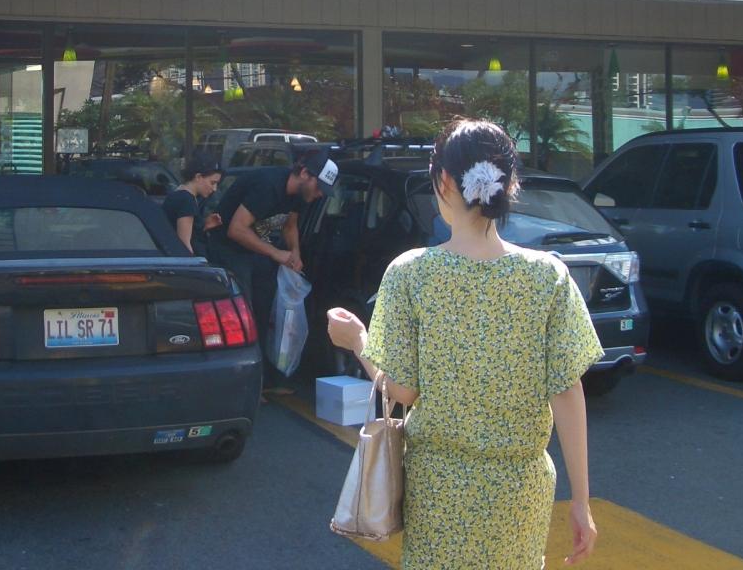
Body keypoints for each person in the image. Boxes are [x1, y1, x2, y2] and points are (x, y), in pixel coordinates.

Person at [327, 118, 603, 569]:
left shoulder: (410, 273)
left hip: (438, 489)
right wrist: (581, 501)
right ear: (509, 185)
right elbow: (568, 390)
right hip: (520, 489)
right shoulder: (548, 276)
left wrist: (358, 339)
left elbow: (402, 392)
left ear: (442, 182)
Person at [208, 148, 337, 395]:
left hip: (257, 252)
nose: (320, 194)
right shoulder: (268, 186)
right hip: (230, 250)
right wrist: (276, 253)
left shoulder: (299, 195)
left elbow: (290, 225)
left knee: (264, 307)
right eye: (319, 186)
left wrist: (295, 253)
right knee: (243, 312)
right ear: (304, 173)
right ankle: (239, 382)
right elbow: (236, 229)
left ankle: (264, 380)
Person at [161, 153, 223, 255]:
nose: (214, 188)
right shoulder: (187, 200)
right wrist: (193, 262)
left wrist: (204, 225)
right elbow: (184, 244)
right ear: (198, 177)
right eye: (212, 183)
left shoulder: (178, 194)